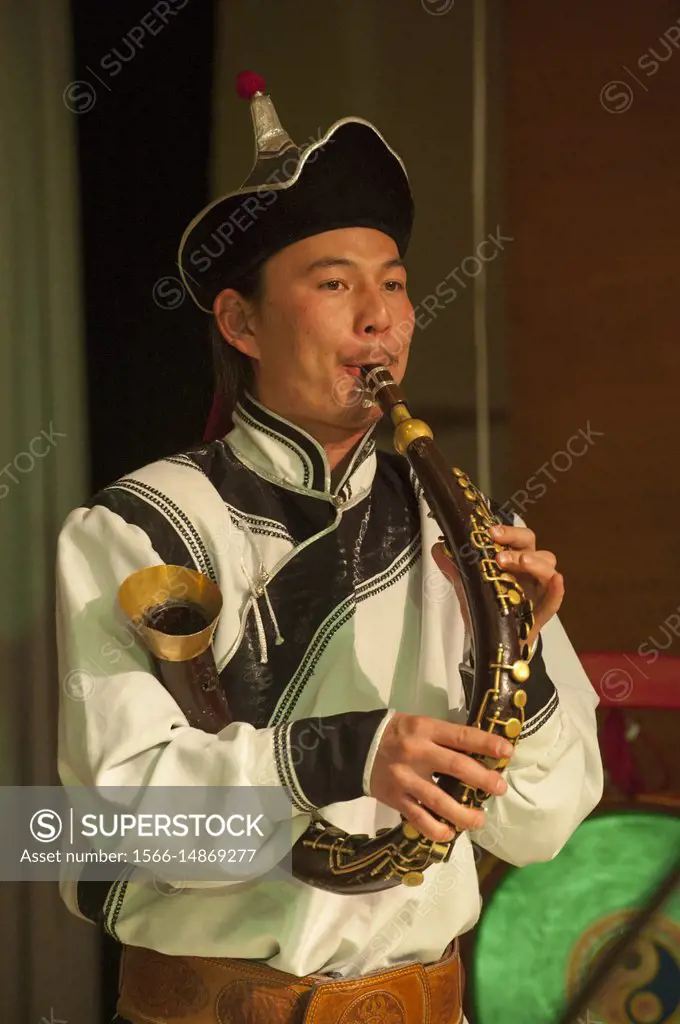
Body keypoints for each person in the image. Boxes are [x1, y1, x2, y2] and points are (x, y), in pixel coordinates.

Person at [55, 71, 603, 1024]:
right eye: (335, 284)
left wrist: (520, 658)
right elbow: (85, 834)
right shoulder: (134, 526)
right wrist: (344, 755)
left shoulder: (461, 529)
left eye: (393, 284)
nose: (379, 316)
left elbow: (546, 828)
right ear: (241, 323)